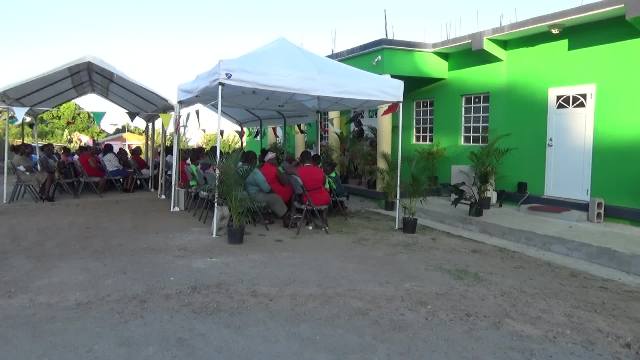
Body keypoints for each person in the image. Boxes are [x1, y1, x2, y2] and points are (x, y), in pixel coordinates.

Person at [241, 151, 288, 219]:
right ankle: (286, 217)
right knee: (275, 198)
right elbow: (266, 188)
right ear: (253, 160)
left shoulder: (239, 168)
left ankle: (268, 215)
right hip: (254, 196)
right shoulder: (255, 172)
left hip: (244, 195)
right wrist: (274, 193)